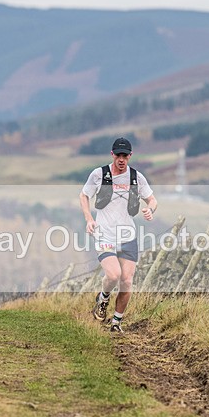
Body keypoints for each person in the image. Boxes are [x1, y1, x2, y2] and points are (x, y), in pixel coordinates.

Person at [79, 137, 157, 332]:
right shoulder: (99, 174)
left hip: (128, 237)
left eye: (125, 155)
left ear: (130, 156)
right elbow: (84, 195)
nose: (121, 159)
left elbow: (152, 199)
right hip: (104, 234)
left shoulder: (137, 178)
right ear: (112, 154)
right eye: (118, 155)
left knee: (127, 280)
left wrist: (150, 209)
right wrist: (89, 219)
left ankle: (116, 322)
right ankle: (103, 297)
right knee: (113, 275)